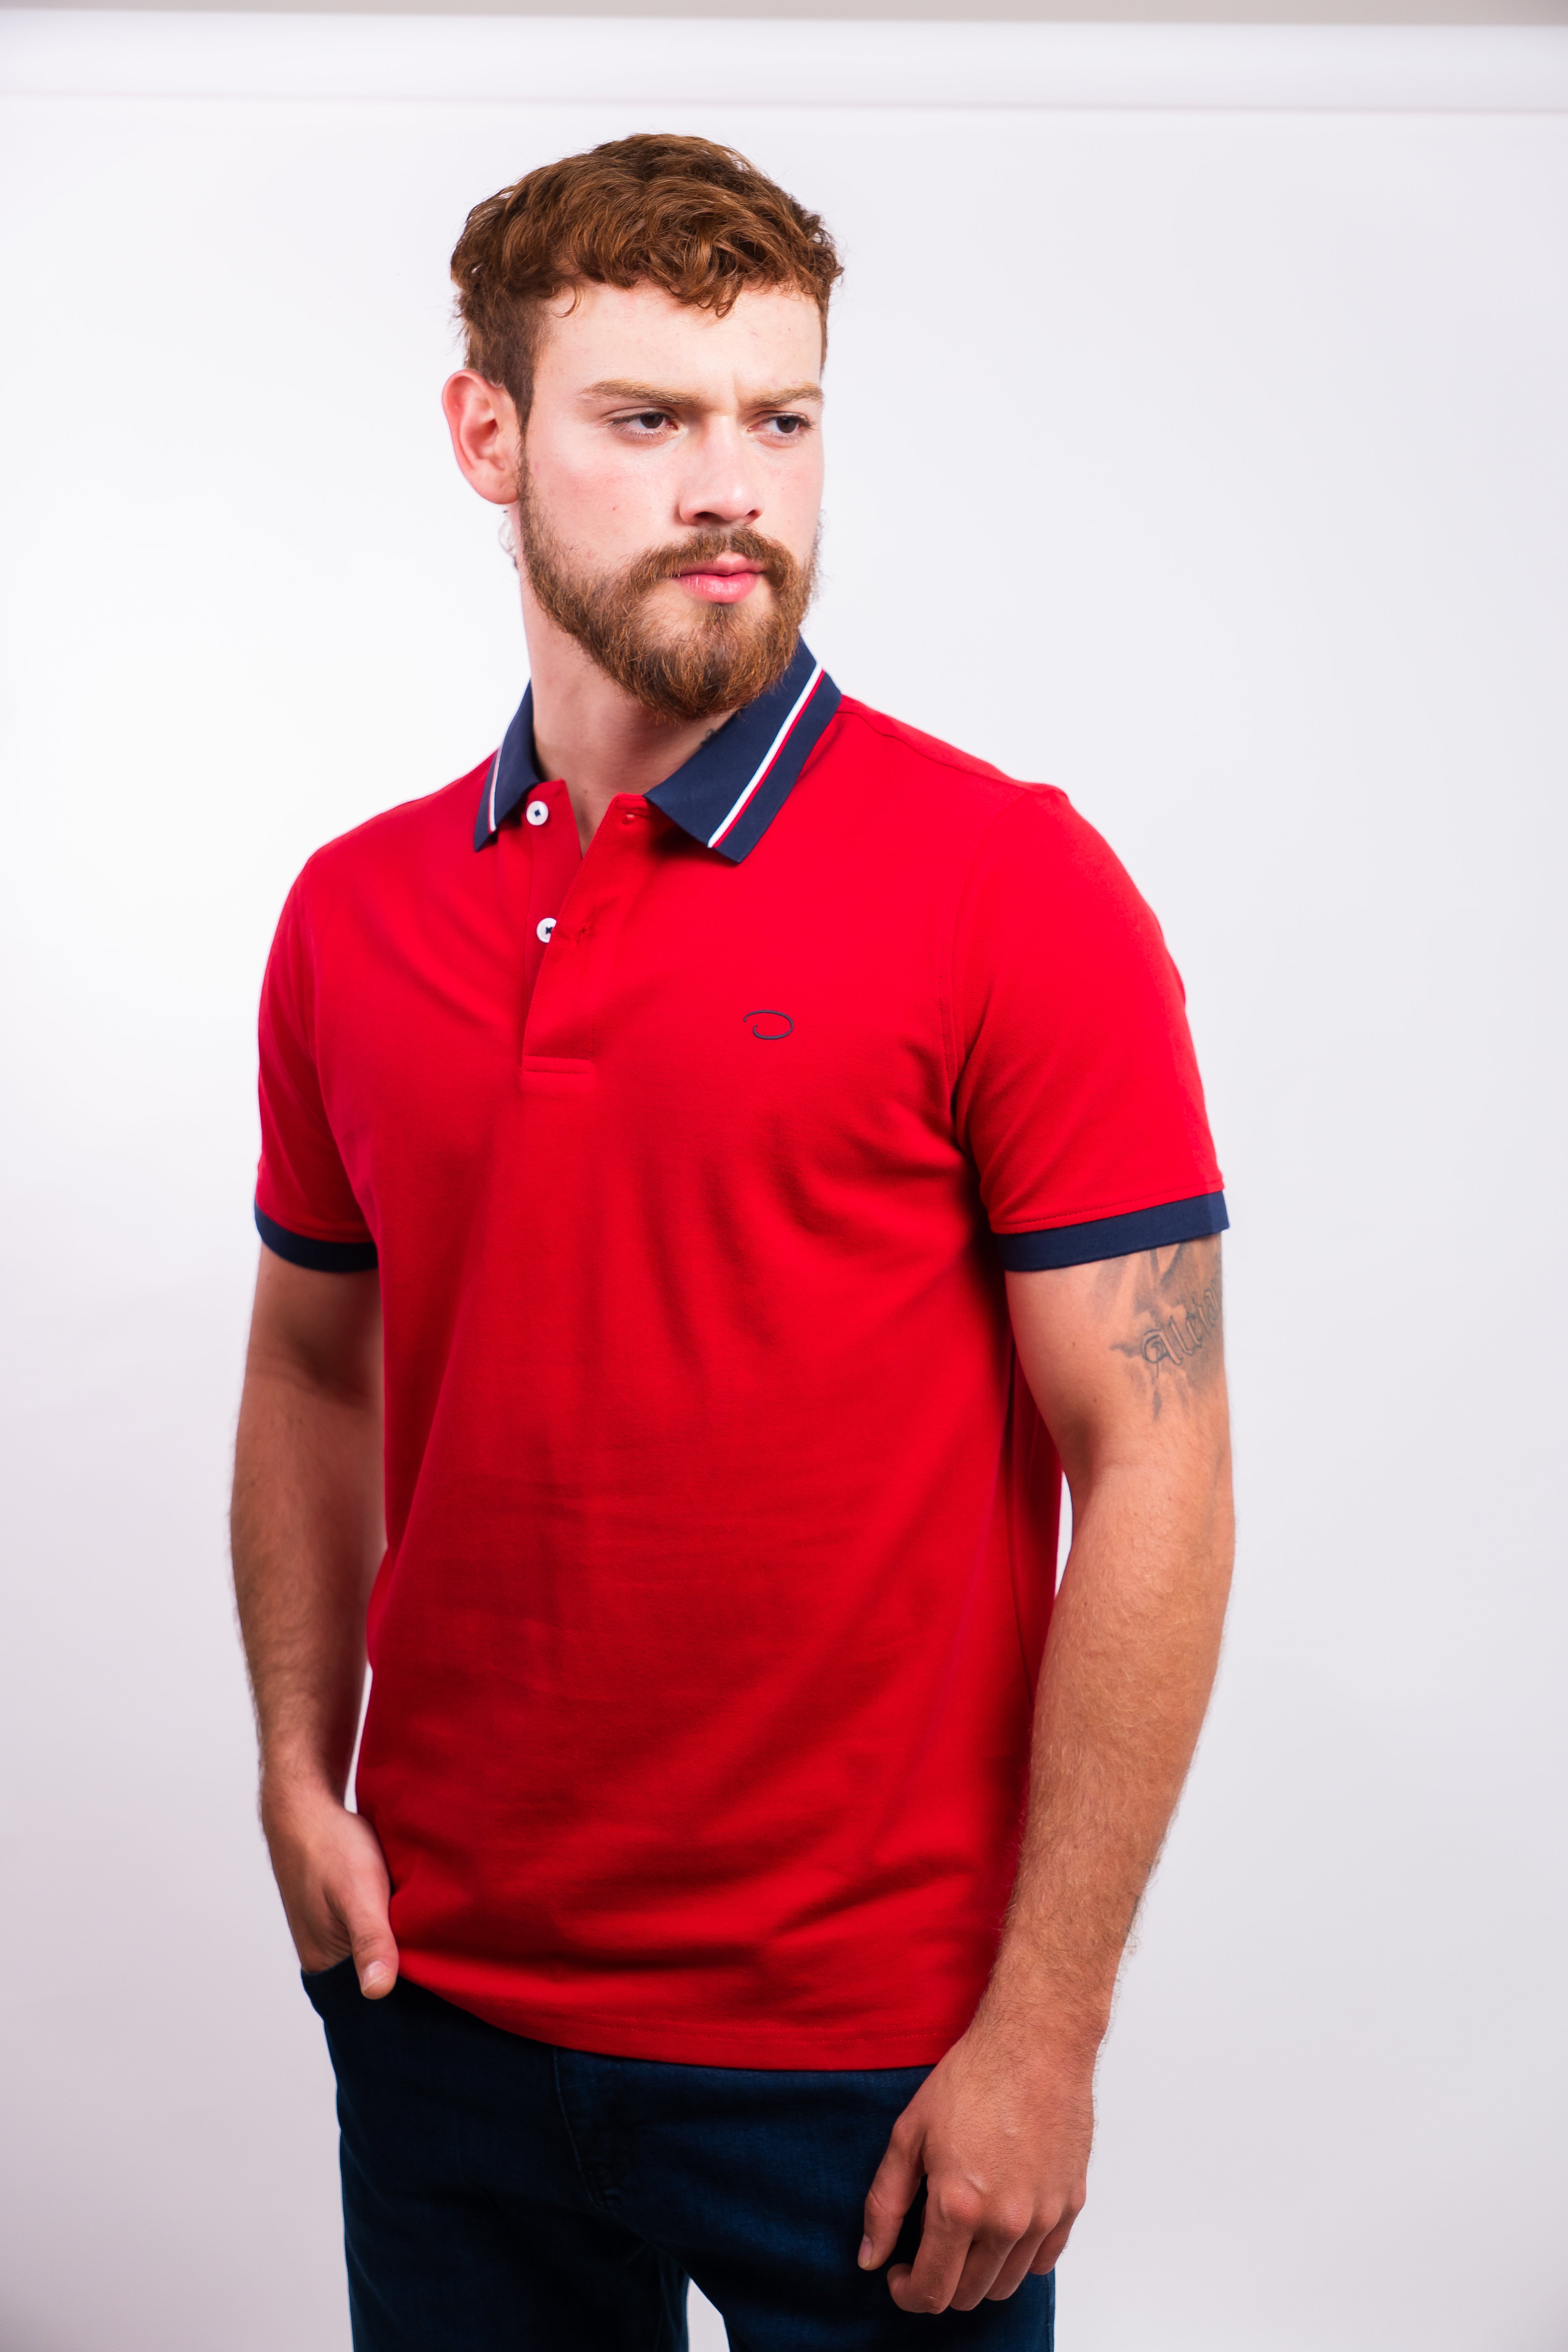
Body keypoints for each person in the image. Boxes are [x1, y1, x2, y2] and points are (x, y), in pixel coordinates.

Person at [231, 133, 1234, 2352]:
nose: (732, 490)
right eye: (649, 417)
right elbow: (311, 1360)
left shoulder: (1008, 887)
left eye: (781, 419)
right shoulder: (352, 914)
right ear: (488, 434)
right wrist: (301, 1767)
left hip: (873, 2066)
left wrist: (1046, 2029)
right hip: (441, 2015)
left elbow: (1155, 1456)